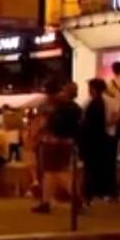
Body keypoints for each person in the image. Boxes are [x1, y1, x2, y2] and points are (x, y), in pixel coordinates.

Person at [32, 83, 81, 214]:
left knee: (58, 172)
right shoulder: (76, 108)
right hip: (67, 142)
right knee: (51, 173)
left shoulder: (56, 107)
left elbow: (45, 123)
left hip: (53, 142)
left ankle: (76, 198)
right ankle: (46, 202)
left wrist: (36, 135)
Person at [80, 78, 116, 207]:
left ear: (93, 89)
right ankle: (103, 192)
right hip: (106, 138)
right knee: (103, 167)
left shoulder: (92, 103)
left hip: (93, 140)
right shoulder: (108, 102)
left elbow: (87, 123)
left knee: (90, 168)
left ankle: (90, 194)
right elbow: (114, 119)